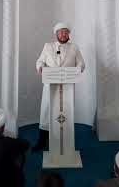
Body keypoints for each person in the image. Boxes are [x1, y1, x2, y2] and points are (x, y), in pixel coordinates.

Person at [33, 22, 85, 152]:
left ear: (69, 34)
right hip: (50, 86)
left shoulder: (74, 47)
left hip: (67, 87)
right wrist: (40, 67)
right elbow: (40, 61)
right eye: (61, 32)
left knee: (65, 113)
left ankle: (64, 141)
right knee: (46, 112)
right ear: (56, 33)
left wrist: (76, 70)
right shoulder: (48, 46)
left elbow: (81, 64)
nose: (63, 34)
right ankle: (42, 141)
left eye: (66, 32)